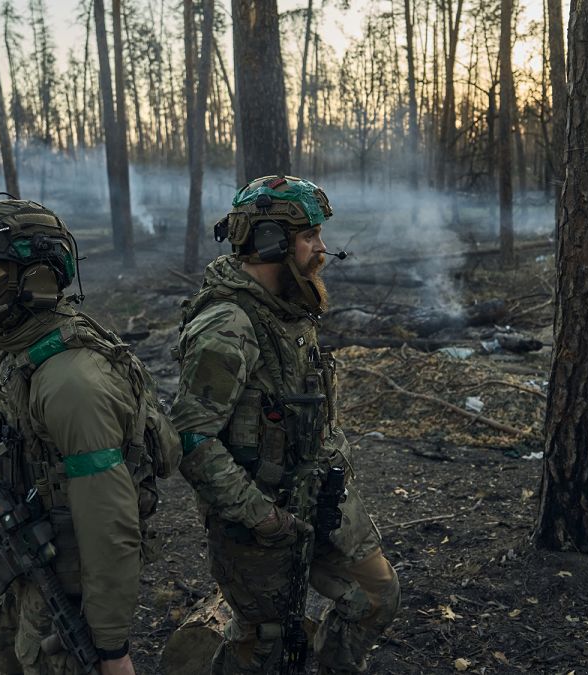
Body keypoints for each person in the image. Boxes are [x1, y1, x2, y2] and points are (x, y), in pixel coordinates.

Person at [170, 176, 400, 673]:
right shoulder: (228, 324)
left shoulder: (288, 308)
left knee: (376, 595)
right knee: (264, 647)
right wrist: (260, 515)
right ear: (272, 241)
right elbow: (192, 439)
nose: (321, 248)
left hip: (321, 503)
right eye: (309, 235)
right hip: (259, 525)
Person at [0, 196, 168, 675]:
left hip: (64, 592)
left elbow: (109, 520)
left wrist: (112, 649)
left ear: (37, 278)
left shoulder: (71, 380)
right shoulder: (24, 349)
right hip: (26, 574)